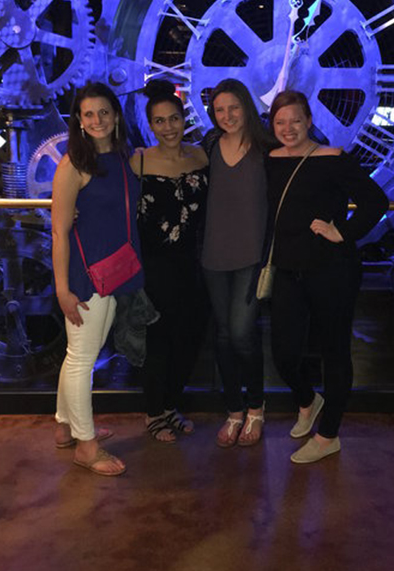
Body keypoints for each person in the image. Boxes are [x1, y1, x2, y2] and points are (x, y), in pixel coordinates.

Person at [266, 90, 389, 464]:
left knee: (335, 352)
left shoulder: (333, 159)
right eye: (280, 122)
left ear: (309, 121)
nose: (288, 128)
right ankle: (307, 399)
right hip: (287, 270)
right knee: (284, 353)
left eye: (296, 121)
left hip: (333, 270)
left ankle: (328, 434)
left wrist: (344, 233)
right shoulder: (269, 160)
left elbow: (376, 201)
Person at [52, 82, 144, 476]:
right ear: (79, 120)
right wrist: (62, 289)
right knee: (82, 358)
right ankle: (86, 447)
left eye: (103, 112)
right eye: (88, 114)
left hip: (116, 269)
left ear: (116, 115)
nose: (97, 120)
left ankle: (65, 426)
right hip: (87, 276)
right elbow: (59, 232)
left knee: (80, 354)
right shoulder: (74, 164)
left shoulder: (125, 157)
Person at [129, 80, 209, 443]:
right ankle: (153, 412)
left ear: (183, 119)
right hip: (154, 265)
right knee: (158, 339)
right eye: (159, 121)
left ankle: (171, 406)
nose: (168, 127)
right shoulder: (139, 159)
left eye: (173, 119)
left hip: (194, 263)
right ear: (151, 125)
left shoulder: (201, 156)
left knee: (189, 337)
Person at [201, 78, 273, 447]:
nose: (227, 115)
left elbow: (313, 146)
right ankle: (234, 410)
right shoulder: (210, 145)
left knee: (243, 333)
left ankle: (256, 408)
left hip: (251, 256)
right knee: (224, 336)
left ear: (247, 106)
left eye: (234, 107)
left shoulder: (267, 146)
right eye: (219, 110)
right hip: (213, 255)